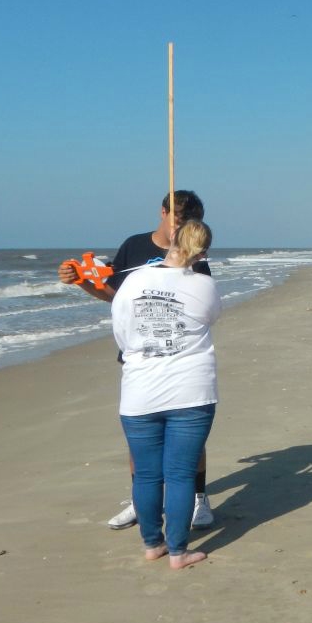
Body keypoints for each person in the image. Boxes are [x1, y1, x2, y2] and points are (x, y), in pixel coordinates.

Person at [57, 190, 215, 531]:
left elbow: (203, 308)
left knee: (190, 439)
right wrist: (81, 282)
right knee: (141, 438)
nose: (181, 227)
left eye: (188, 222)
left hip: (181, 357)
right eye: (177, 219)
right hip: (141, 358)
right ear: (162, 212)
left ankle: (199, 500)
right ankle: (141, 501)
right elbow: (115, 296)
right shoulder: (134, 246)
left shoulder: (196, 257)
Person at [111, 219, 221, 569]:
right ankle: (177, 551)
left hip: (140, 390)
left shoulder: (133, 281)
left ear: (171, 240)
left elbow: (122, 332)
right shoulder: (204, 285)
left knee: (146, 473)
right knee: (179, 474)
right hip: (191, 391)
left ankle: (152, 543)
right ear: (202, 252)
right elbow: (210, 317)